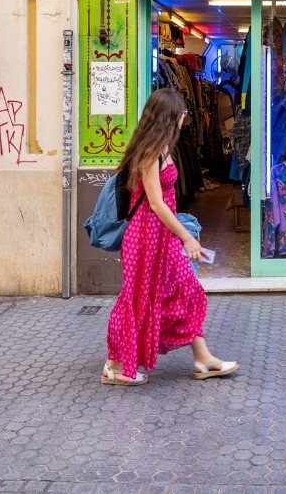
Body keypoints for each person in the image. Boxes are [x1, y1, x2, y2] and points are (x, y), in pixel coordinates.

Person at [102, 87, 238, 385]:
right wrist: (187, 238)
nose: (185, 117)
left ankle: (203, 358)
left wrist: (177, 237)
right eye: (183, 113)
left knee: (185, 289)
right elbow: (155, 203)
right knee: (138, 298)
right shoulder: (150, 152)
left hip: (163, 237)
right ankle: (113, 365)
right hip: (146, 237)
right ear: (169, 116)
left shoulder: (164, 147)